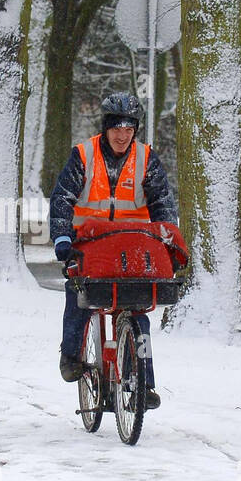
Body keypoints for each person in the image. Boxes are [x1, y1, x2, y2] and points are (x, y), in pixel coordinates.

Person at [49, 92, 177, 410]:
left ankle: (144, 383)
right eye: (117, 128)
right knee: (80, 296)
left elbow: (162, 204)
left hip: (133, 246)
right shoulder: (83, 155)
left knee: (138, 313)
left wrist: (168, 241)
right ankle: (71, 357)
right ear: (106, 128)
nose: (123, 135)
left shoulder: (147, 159)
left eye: (129, 129)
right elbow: (62, 199)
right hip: (90, 245)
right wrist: (62, 239)